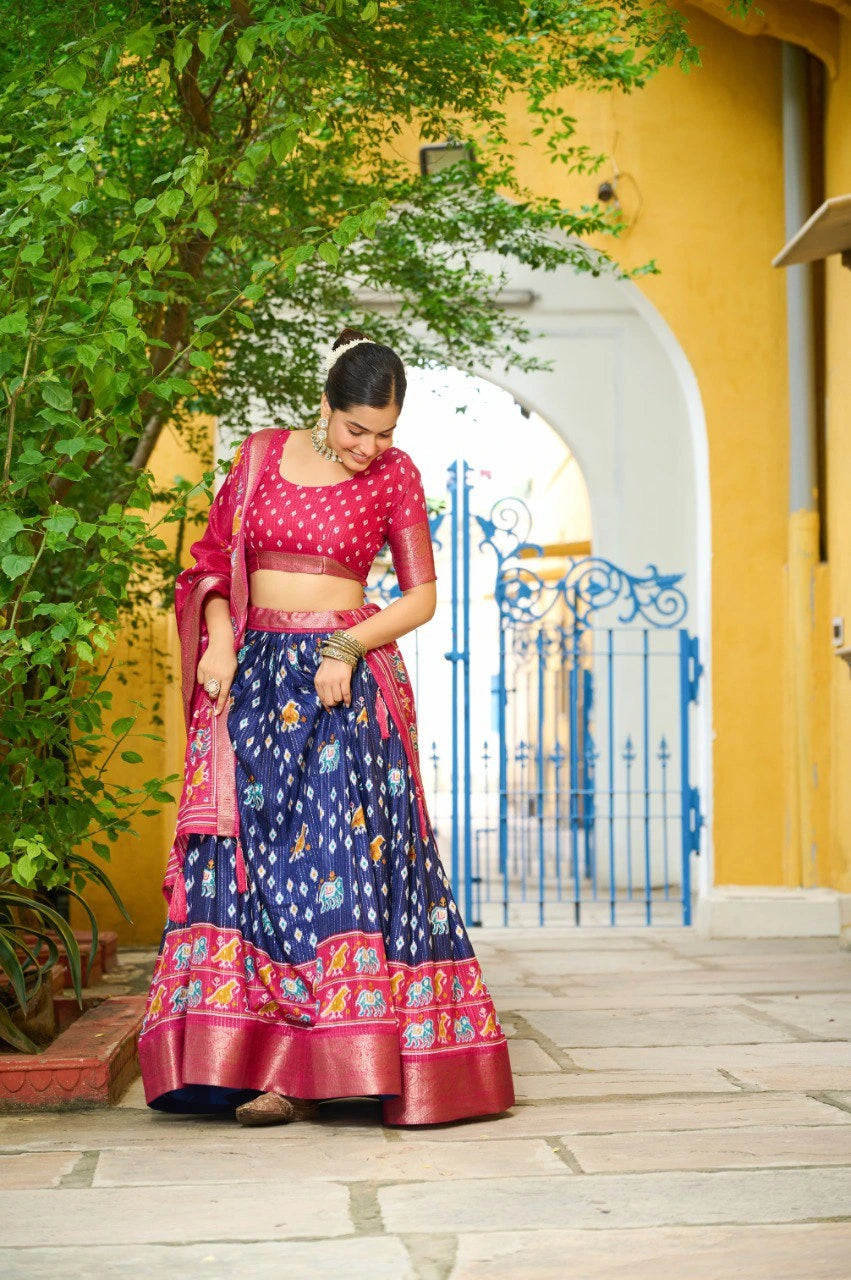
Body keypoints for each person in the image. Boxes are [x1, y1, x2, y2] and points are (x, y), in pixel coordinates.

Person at [137, 327, 516, 1127]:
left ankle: (319, 1070)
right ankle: (243, 1062)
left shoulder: (396, 477)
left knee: (335, 870)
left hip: (342, 689)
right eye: (355, 430)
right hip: (250, 679)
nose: (368, 448)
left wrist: (346, 643)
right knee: (249, 871)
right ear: (325, 407)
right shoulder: (257, 457)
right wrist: (220, 635)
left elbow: (419, 598)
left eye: (384, 434)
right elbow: (210, 564)